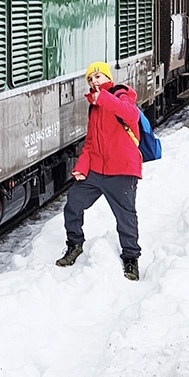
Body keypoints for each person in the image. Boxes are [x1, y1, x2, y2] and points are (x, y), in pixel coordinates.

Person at [57, 61, 143, 280]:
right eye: (90, 79)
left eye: (97, 77)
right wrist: (81, 167)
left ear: (107, 78)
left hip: (122, 169)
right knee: (73, 204)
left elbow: (130, 115)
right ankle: (74, 244)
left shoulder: (122, 94)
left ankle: (131, 258)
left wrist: (103, 98)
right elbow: (90, 143)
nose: (94, 81)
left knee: (125, 216)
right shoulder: (94, 107)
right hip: (96, 171)